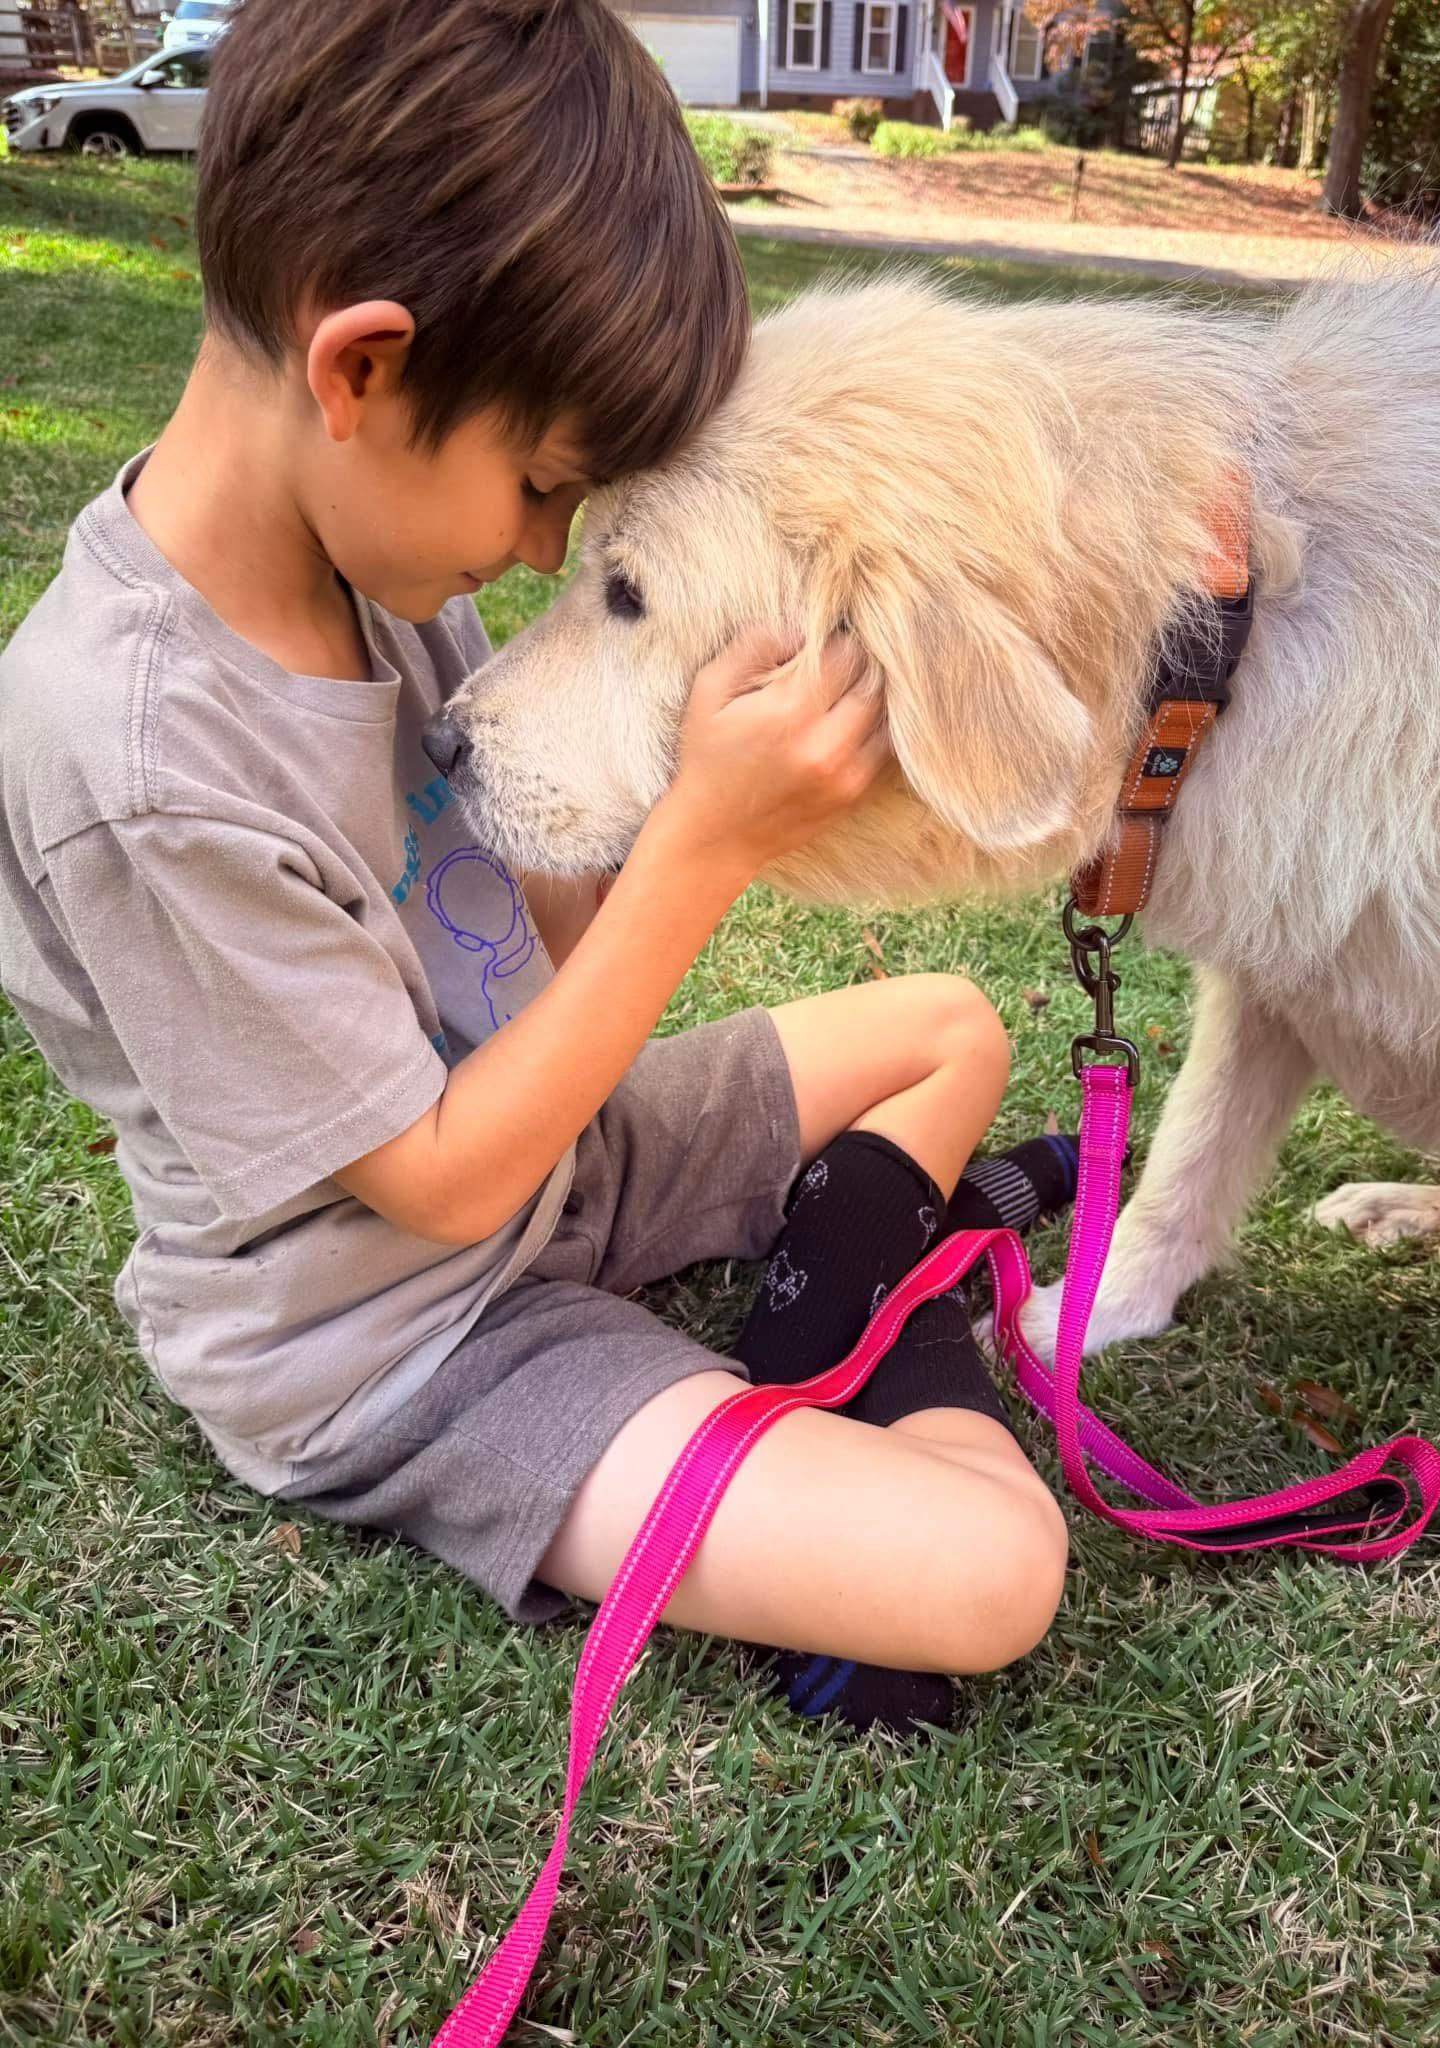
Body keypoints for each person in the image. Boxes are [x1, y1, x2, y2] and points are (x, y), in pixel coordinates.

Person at [0, 0, 1074, 1735]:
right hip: (404, 1338)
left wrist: (643, 788)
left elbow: (543, 944)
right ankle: (880, 1365)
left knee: (949, 1026)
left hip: (569, 1160)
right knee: (990, 1573)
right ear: (360, 368)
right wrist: (702, 852)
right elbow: (432, 1183)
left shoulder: (385, 571)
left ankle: (829, 1302)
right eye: (542, 490)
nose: (547, 547)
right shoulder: (137, 760)